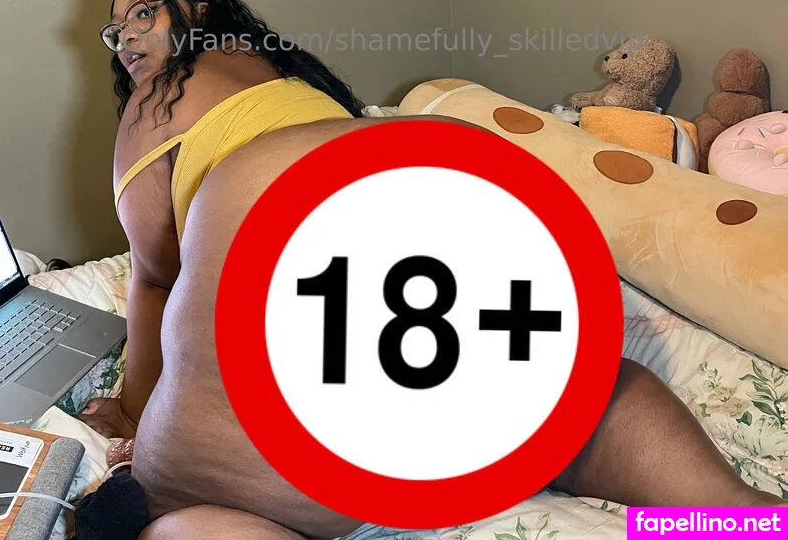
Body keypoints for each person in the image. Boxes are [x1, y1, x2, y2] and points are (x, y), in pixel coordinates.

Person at [130, 118, 782, 540]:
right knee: (598, 396)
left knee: (189, 524)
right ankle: (737, 514)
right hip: (440, 159)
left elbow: (154, 282)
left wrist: (129, 408)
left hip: (270, 198)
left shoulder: (156, 132)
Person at [80, 0, 365, 442]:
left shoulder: (157, 102)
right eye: (117, 29)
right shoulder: (287, 70)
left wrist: (130, 415)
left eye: (144, 12)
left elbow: (155, 281)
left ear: (201, 9)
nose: (126, 36)